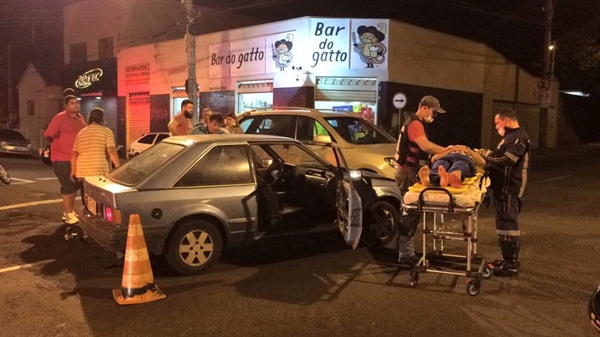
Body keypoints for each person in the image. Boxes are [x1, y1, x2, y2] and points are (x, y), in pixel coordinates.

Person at [393, 95, 447, 264]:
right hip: (408, 173)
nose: (434, 115)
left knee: (409, 211)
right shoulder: (415, 123)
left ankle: (404, 250)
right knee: (410, 212)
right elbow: (425, 145)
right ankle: (405, 254)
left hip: (407, 171)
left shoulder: (414, 122)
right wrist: (447, 150)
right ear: (424, 108)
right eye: (433, 111)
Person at [480, 108, 530, 277]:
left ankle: (511, 264)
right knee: (503, 224)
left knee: (508, 224)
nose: (496, 127)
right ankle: (508, 260)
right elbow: (500, 156)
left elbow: (507, 159)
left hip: (510, 189)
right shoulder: (510, 138)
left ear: (506, 120)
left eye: (497, 123)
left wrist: (486, 156)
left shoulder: (518, 137)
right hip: (503, 189)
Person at [44, 95, 86, 226]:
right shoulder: (60, 117)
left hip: (77, 159)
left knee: (75, 186)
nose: (76, 105)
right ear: (66, 106)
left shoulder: (81, 118)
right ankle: (69, 214)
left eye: (77, 103)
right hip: (62, 159)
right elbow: (48, 134)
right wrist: (58, 145)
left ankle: (67, 212)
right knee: (68, 186)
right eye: (72, 103)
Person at [418, 145, 485, 188]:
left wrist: (467, 150)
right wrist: (449, 150)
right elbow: (433, 159)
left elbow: (482, 162)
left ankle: (453, 176)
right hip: (445, 156)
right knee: (440, 165)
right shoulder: (447, 149)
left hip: (464, 157)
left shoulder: (471, 151)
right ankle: (429, 178)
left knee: (460, 165)